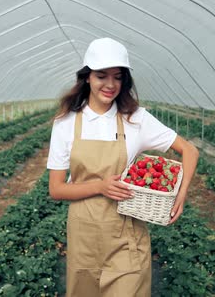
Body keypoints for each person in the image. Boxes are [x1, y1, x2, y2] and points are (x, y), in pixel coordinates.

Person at [47, 37, 199, 297]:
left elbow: (190, 150)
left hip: (126, 238)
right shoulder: (67, 122)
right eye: (101, 76)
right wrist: (100, 186)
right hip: (85, 240)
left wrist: (180, 193)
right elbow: (56, 189)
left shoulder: (135, 119)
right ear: (87, 77)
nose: (110, 85)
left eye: (117, 77)